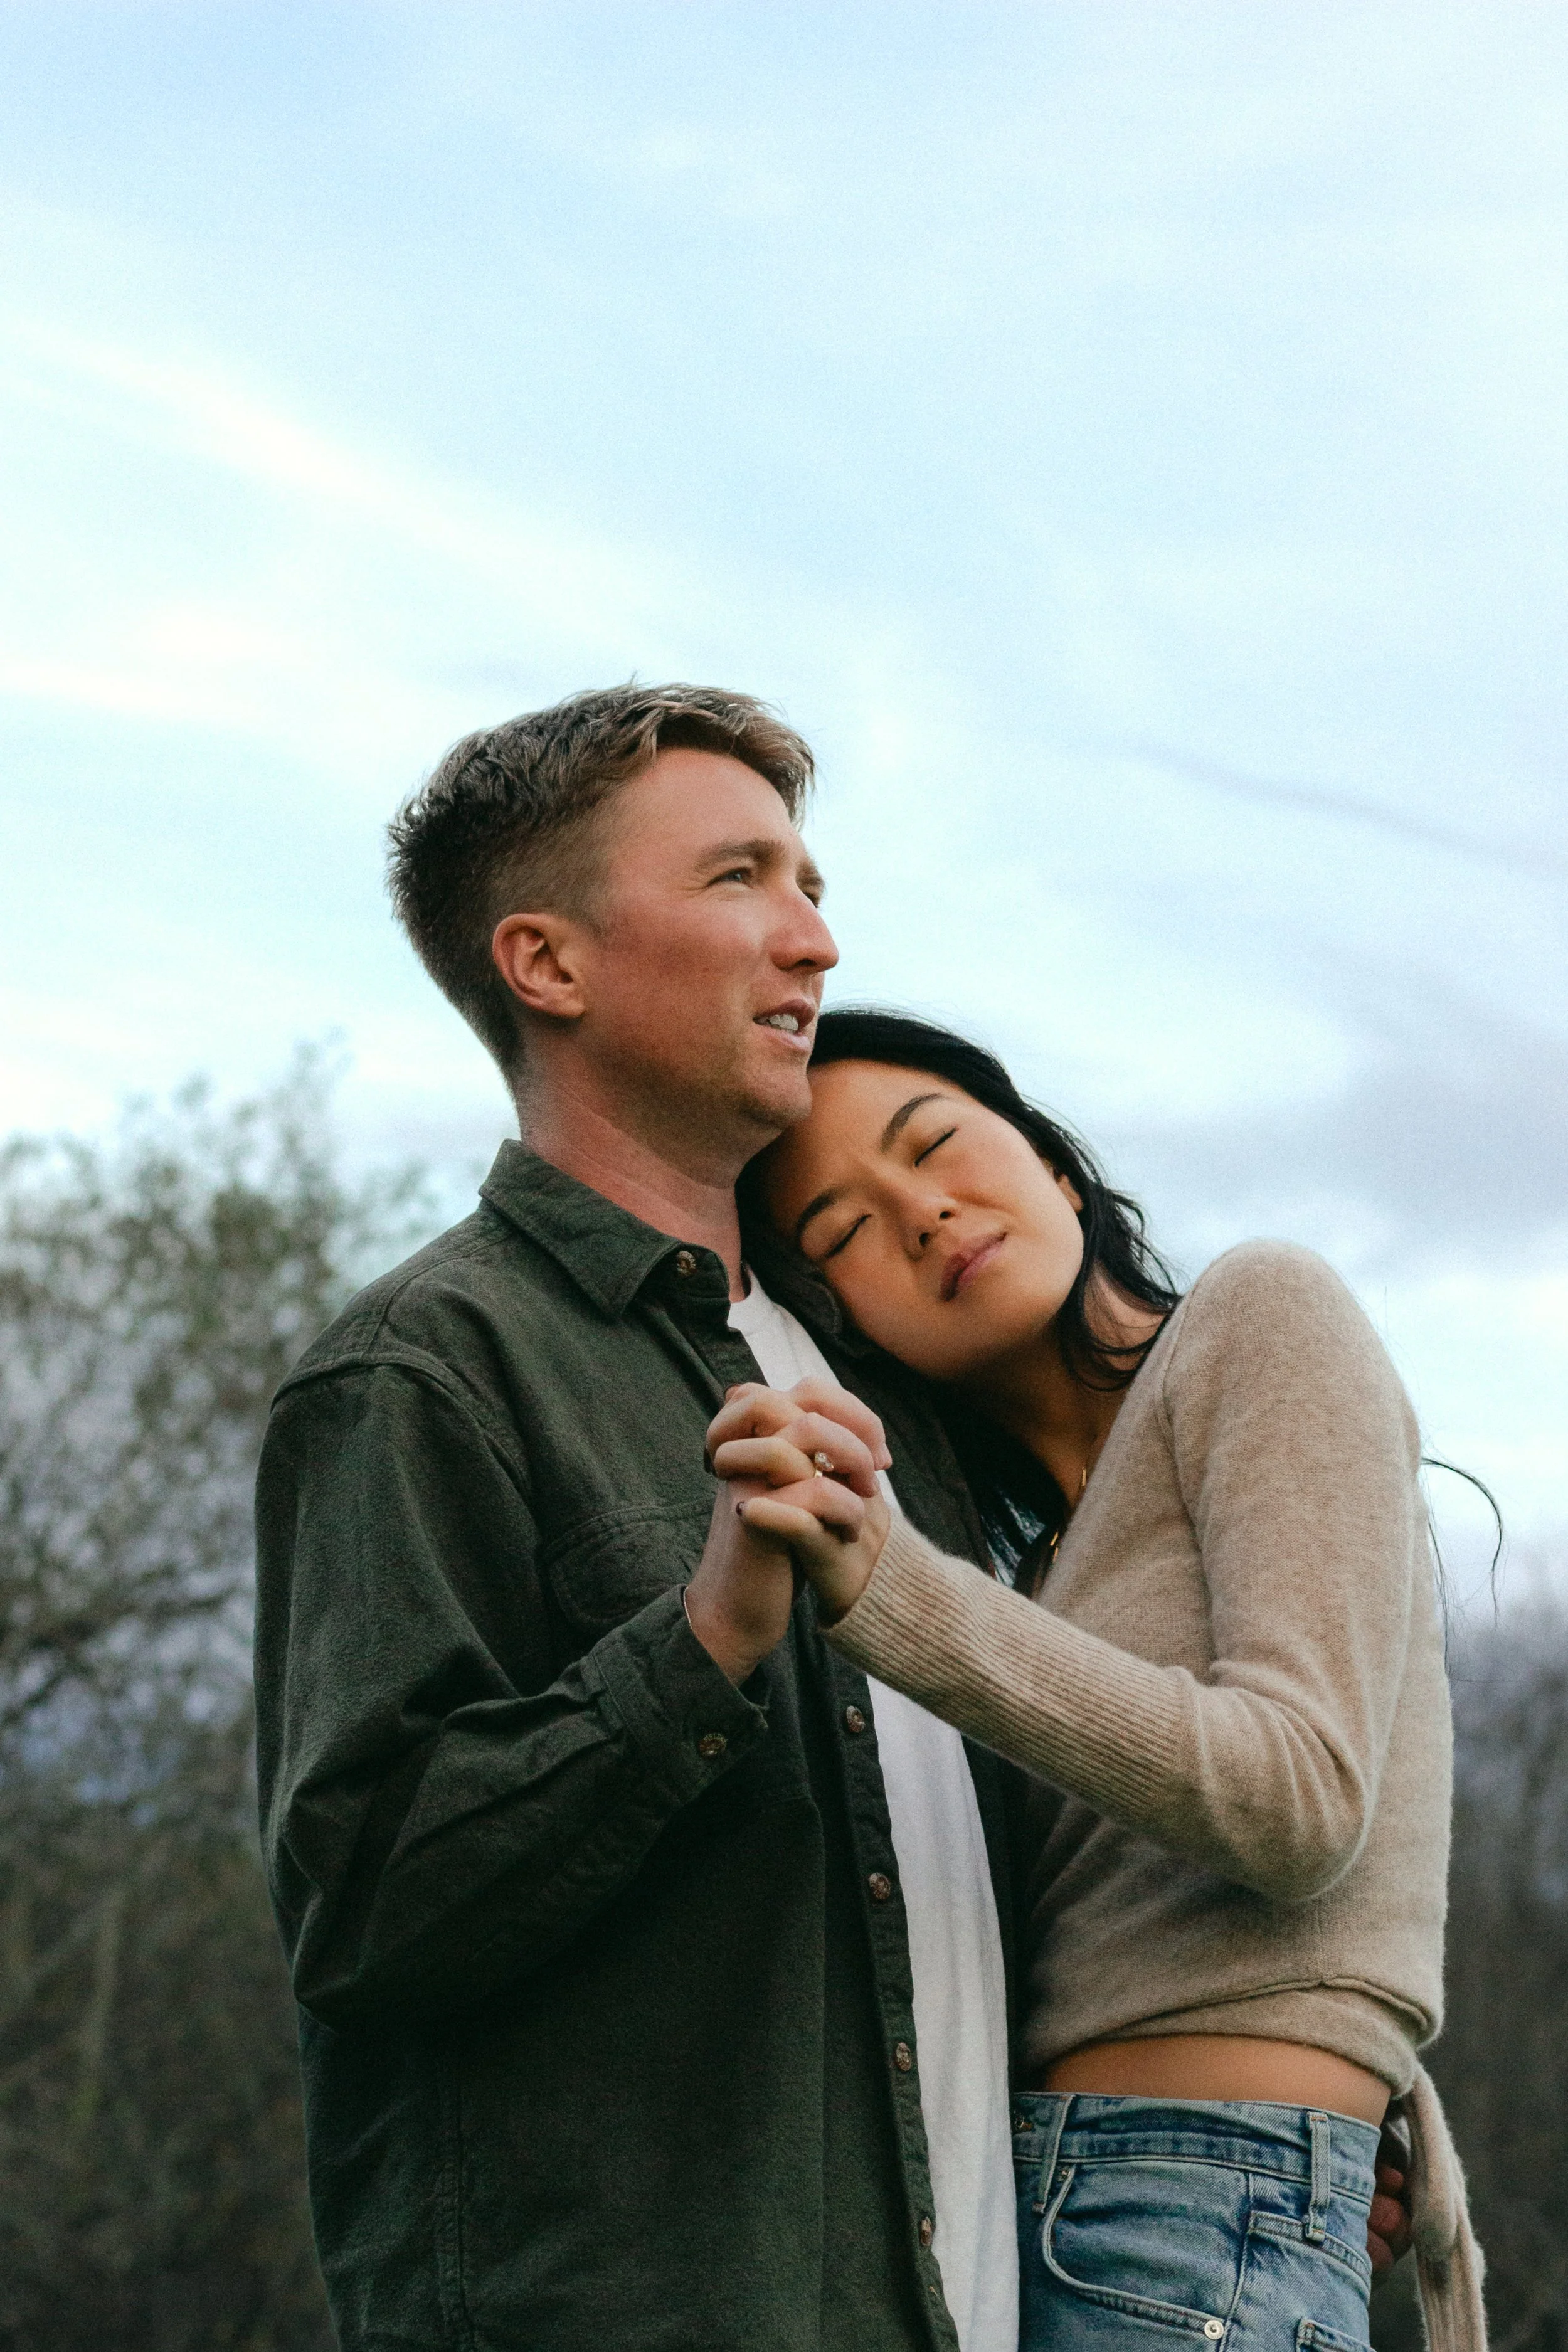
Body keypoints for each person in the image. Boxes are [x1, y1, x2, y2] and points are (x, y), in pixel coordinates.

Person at [252, 688, 1022, 2352]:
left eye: (809, 883)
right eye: (741, 877)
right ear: (548, 963)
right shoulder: (420, 1372)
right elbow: (360, 1913)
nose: (814, 940)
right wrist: (701, 1642)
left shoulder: (898, 1388)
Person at [705, 1008, 1483, 2352]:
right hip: (1061, 2207)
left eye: (933, 1145)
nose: (922, 1214)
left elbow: (1301, 1795)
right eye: (843, 1230)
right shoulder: (1028, 1575)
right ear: (852, 1328)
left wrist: (892, 1590)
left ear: (1055, 1167)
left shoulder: (1256, 1314)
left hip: (1190, 2213)